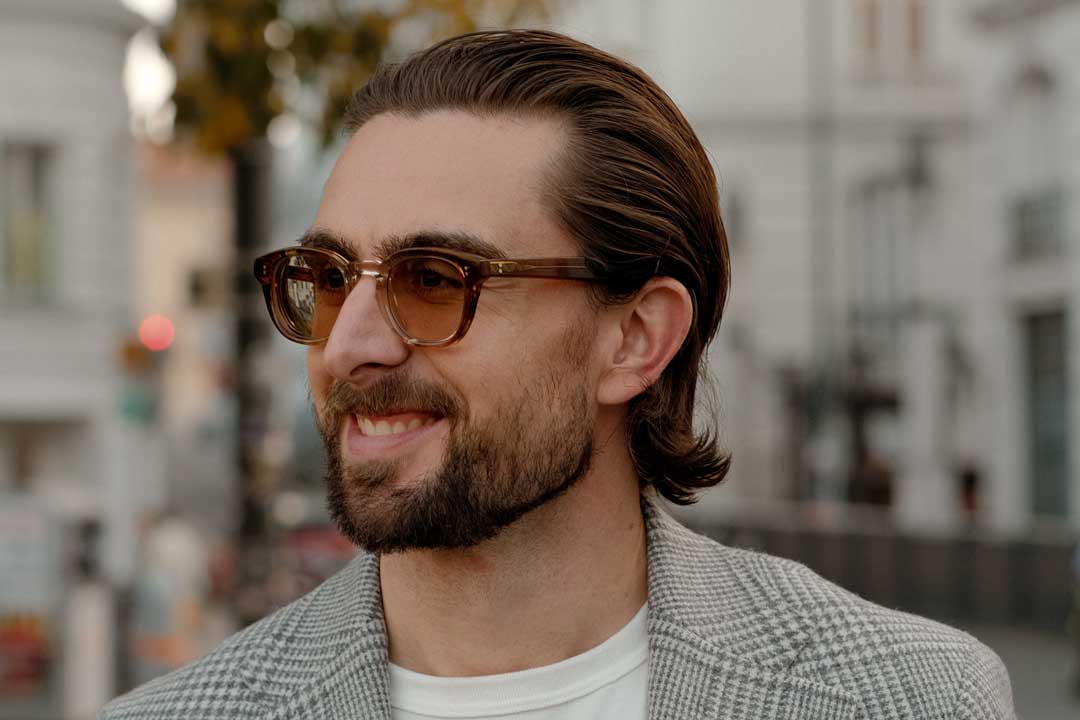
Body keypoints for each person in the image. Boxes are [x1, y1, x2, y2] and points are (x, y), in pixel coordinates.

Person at [101, 29, 1015, 720]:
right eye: (329, 280)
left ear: (634, 338)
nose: (348, 347)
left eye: (433, 279)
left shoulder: (909, 698)